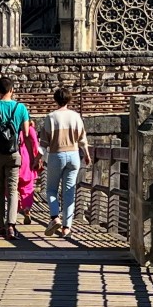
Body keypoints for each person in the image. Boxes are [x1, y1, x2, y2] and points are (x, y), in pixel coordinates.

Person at [0, 77, 37, 240]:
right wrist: (32, 157)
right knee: (12, 190)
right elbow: (26, 135)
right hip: (14, 153)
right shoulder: (21, 108)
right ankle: (11, 226)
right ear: (12, 90)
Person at [40, 87, 91, 239]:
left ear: (55, 100)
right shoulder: (76, 116)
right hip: (74, 155)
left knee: (51, 190)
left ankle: (55, 217)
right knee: (69, 193)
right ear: (69, 100)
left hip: (57, 155)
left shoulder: (51, 117)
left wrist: (39, 159)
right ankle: (66, 228)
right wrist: (87, 155)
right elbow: (82, 139)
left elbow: (43, 142)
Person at [17, 123, 42, 225]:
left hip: (15, 156)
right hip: (27, 158)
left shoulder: (14, 126)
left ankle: (16, 206)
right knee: (27, 187)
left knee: (12, 186)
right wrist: (37, 159)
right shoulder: (30, 129)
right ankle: (26, 208)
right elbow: (35, 144)